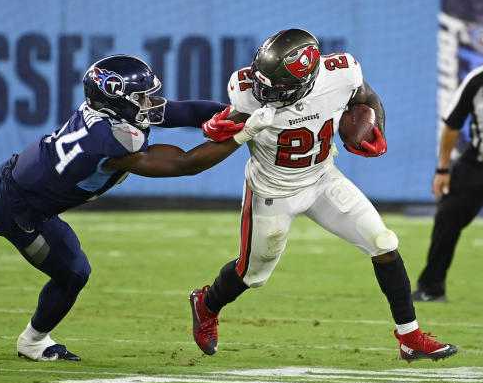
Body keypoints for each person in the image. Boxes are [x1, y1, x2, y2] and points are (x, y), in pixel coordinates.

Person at [0, 54, 269, 362]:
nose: (149, 103)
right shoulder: (114, 138)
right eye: (141, 97)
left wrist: (236, 114)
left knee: (5, 218)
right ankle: (33, 342)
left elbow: (181, 111)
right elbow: (184, 164)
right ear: (116, 100)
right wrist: (244, 135)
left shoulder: (112, 115)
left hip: (12, 179)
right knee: (73, 272)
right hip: (24, 207)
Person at [190, 29, 458, 362]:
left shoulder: (341, 72)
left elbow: (367, 97)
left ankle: (411, 338)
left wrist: (378, 130)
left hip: (322, 178)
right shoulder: (246, 89)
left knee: (384, 242)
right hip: (273, 189)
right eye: (262, 81)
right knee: (252, 273)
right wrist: (223, 125)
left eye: (276, 87)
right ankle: (206, 303)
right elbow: (225, 127)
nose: (263, 91)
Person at [412, 32, 483, 302]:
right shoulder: (477, 81)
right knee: (448, 216)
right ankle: (431, 287)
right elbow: (452, 125)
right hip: (482, 160)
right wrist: (443, 169)